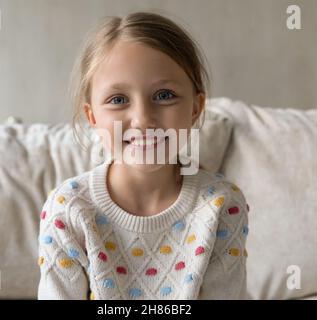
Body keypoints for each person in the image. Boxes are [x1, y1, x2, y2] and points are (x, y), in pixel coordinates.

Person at [37, 11, 249, 300]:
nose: (142, 119)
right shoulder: (68, 210)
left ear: (196, 108)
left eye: (164, 95)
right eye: (118, 100)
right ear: (92, 116)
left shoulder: (222, 205)